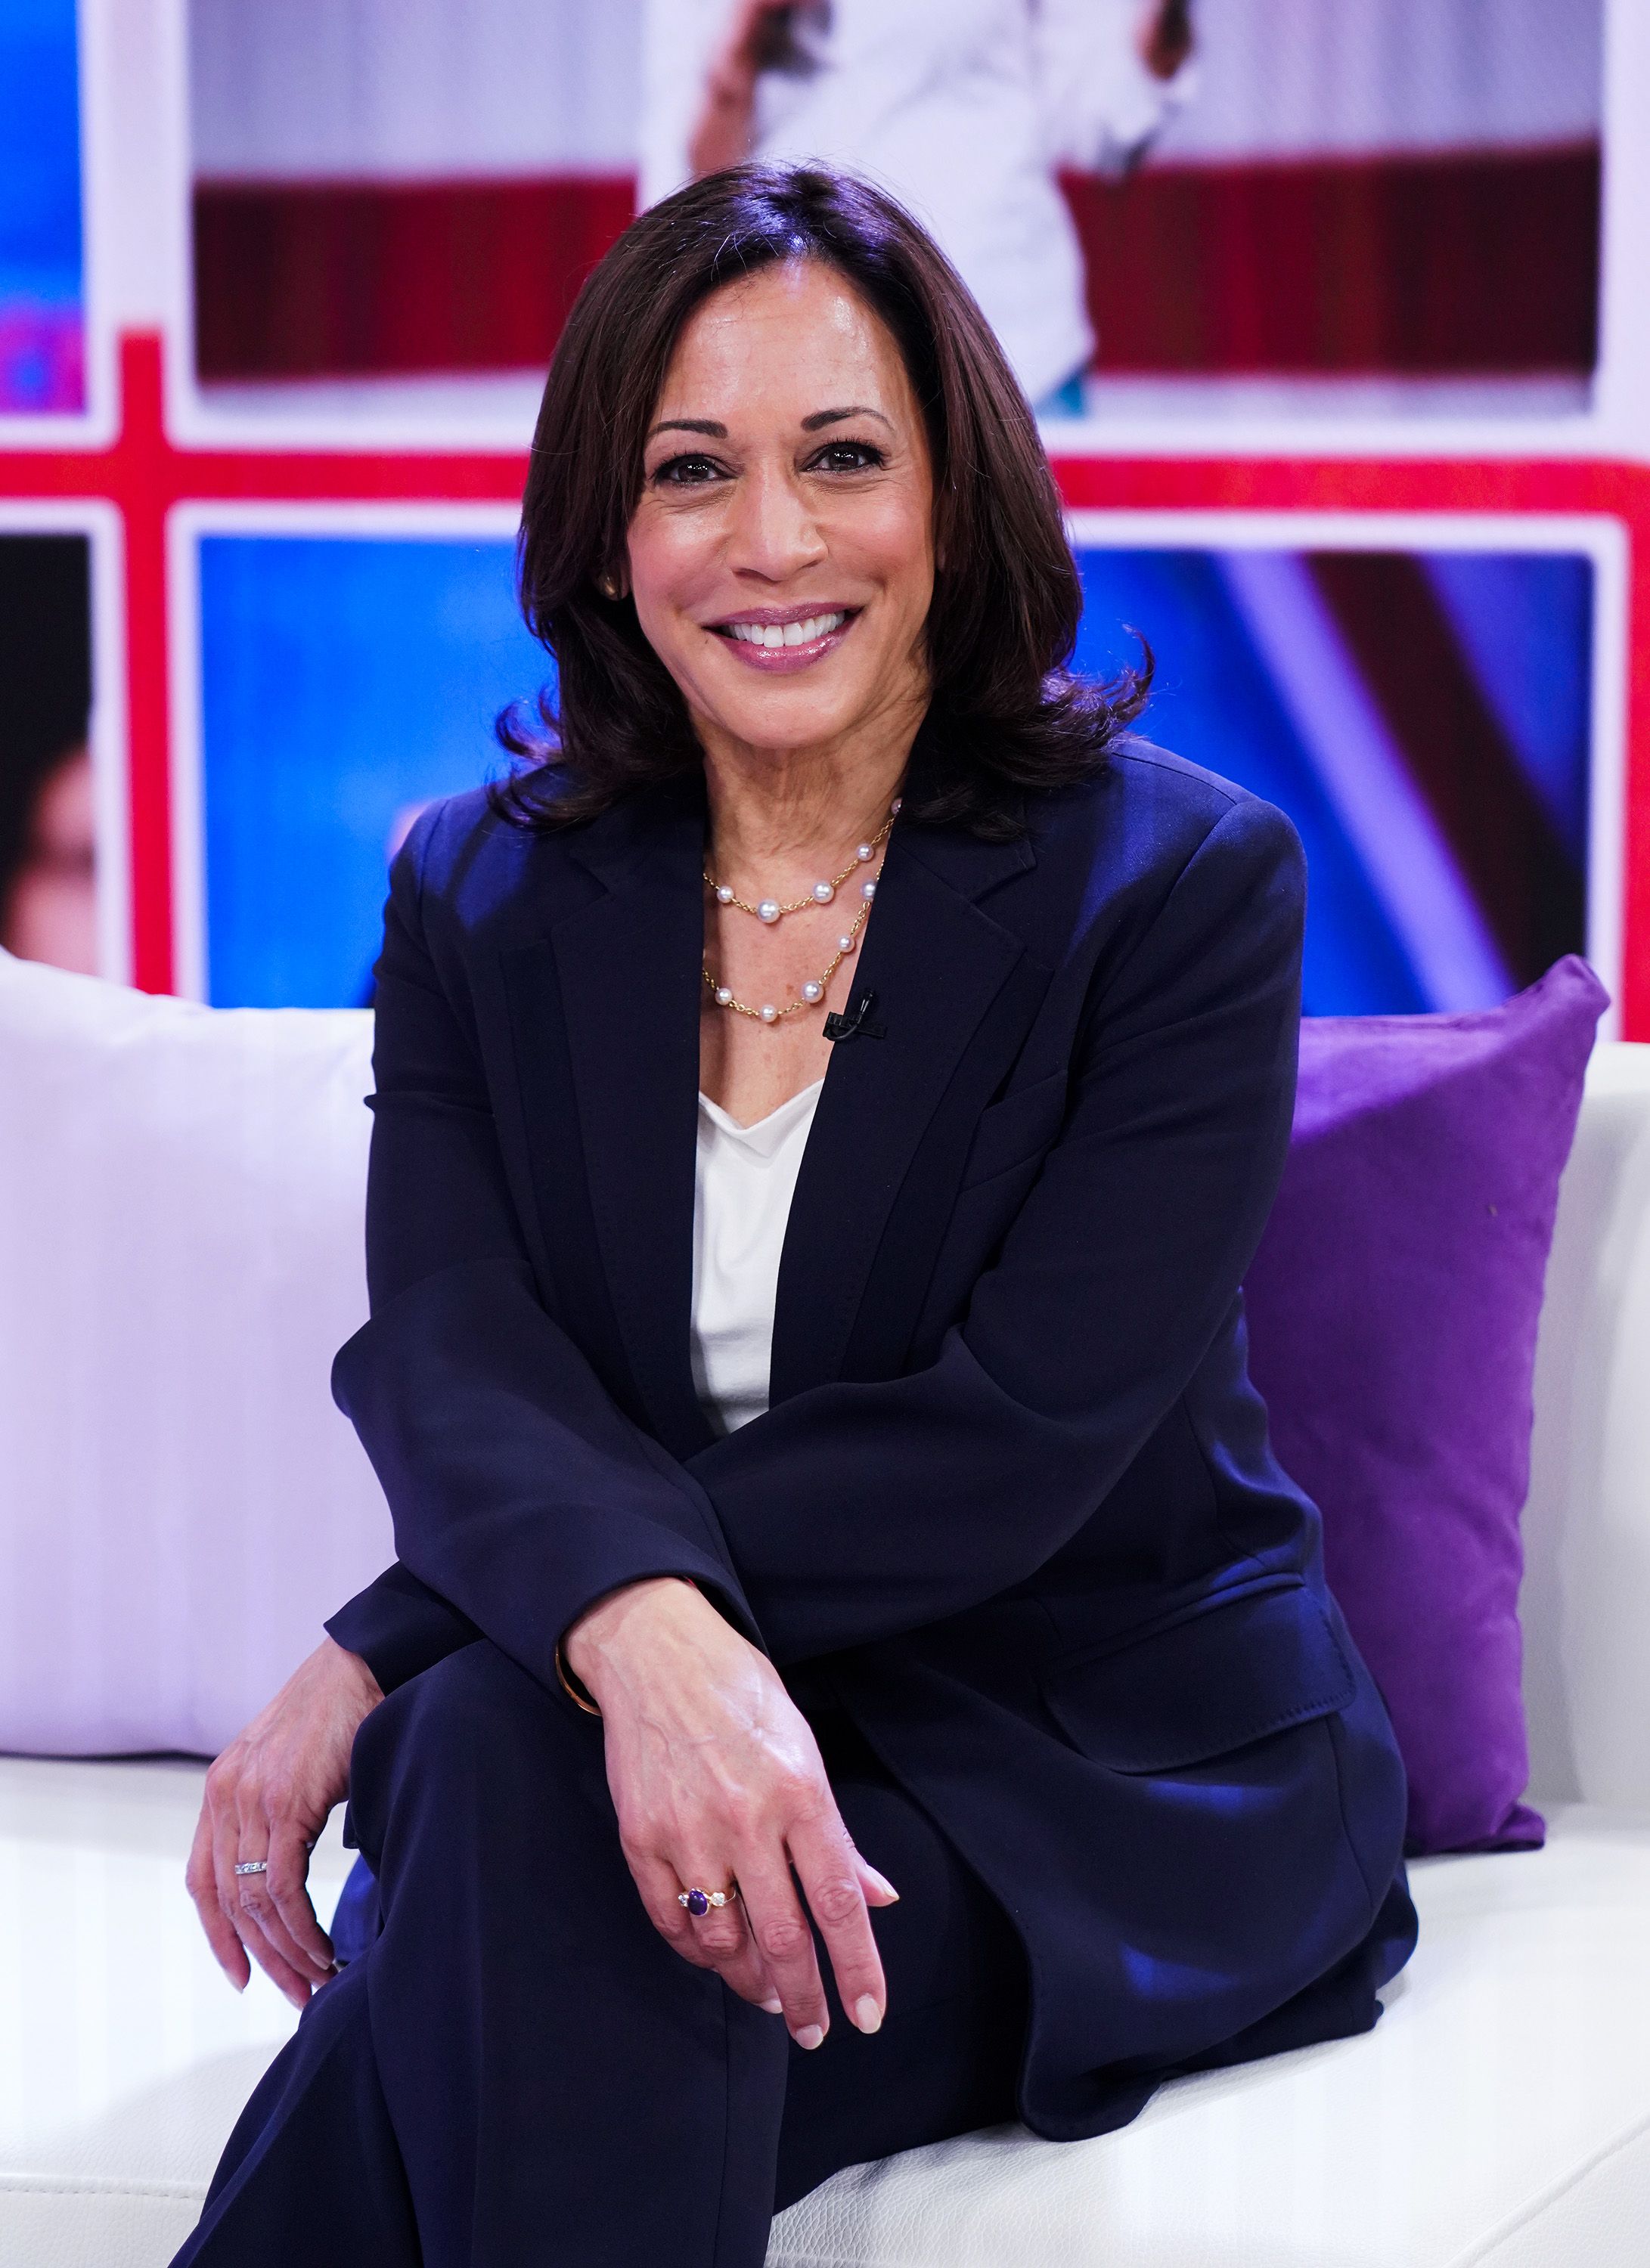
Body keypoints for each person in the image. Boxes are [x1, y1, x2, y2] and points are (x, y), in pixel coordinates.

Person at [175, 166, 1415, 2266]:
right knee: (501, 1780)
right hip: (640, 1754)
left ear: (950, 497)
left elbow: (1014, 1431)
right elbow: (455, 1343)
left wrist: (433, 1628)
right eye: (690, 472)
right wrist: (631, 1651)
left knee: (485, 1772)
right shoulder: (473, 891)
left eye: (841, 458)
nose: (770, 543)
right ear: (606, 528)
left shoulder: (1182, 890)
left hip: (1083, 1768)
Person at [641, 0, 1196, 411]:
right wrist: (747, 33)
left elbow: (1111, 121)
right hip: (792, 364)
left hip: (1007, 347)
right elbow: (687, 198)